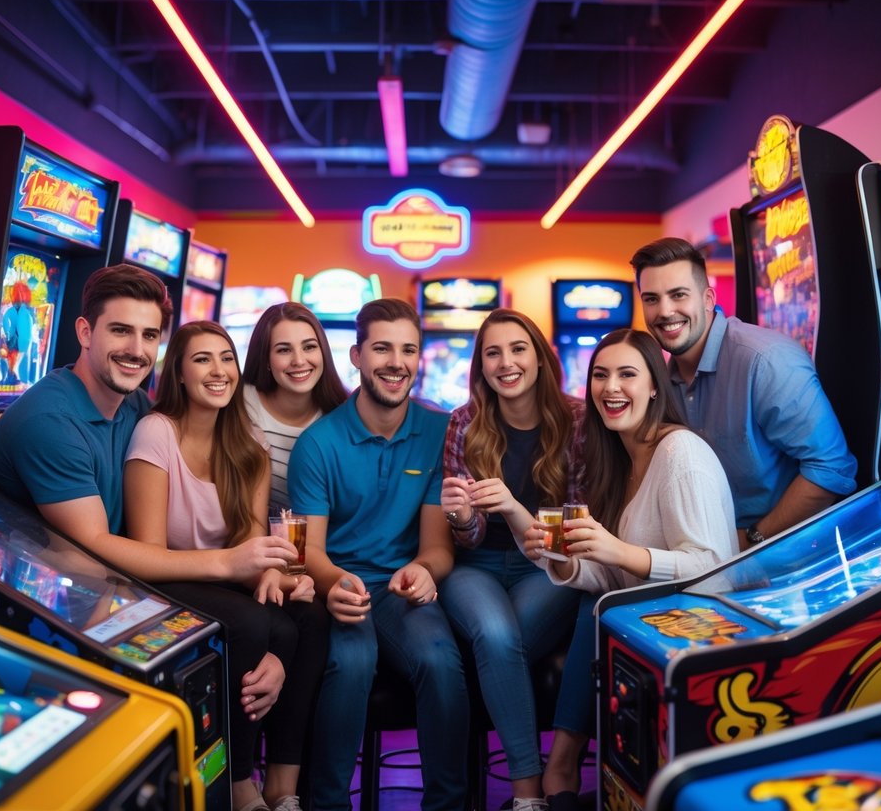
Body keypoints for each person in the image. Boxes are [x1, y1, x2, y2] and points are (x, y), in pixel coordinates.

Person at [0, 265, 299, 807]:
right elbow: (94, 548)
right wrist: (229, 564)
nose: (136, 350)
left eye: (149, 335)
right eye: (120, 332)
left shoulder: (131, 400)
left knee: (285, 620)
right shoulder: (48, 420)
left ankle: (252, 784)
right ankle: (229, 787)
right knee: (247, 620)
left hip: (112, 589)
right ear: (85, 333)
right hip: (50, 603)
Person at [528, 328, 738, 809]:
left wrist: (617, 551)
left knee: (594, 612)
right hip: (643, 634)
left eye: (627, 374)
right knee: (592, 603)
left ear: (654, 386)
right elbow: (611, 577)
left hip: (694, 643)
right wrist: (560, 556)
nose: (611, 387)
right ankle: (565, 777)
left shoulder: (680, 453)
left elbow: (712, 570)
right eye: (600, 375)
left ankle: (560, 771)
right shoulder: (621, 457)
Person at [125, 320, 329, 811]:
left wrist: (281, 577)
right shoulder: (156, 432)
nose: (218, 371)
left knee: (312, 615)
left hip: (226, 575)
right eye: (202, 359)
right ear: (178, 372)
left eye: (226, 359)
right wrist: (271, 624)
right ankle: (239, 784)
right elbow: (148, 555)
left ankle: (284, 786)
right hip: (164, 579)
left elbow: (248, 541)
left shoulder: (248, 441)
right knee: (256, 623)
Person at [287, 297, 469, 811]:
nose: (396, 362)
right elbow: (309, 554)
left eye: (408, 349)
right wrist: (333, 584)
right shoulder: (317, 444)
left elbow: (437, 548)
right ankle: (328, 804)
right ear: (356, 356)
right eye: (382, 348)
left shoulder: (440, 433)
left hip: (401, 588)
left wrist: (425, 570)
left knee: (441, 663)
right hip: (340, 584)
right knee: (351, 661)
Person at [437, 308, 583, 811]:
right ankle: (528, 794)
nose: (506, 362)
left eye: (517, 349)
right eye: (492, 353)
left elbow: (570, 539)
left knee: (500, 643)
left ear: (540, 358)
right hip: (475, 567)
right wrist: (458, 517)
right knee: (496, 637)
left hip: (547, 566)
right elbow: (471, 536)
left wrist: (517, 510)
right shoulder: (465, 422)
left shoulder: (578, 420)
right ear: (481, 366)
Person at [630, 237, 856, 549]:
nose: (665, 311)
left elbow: (831, 469)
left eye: (678, 295)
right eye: (651, 299)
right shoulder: (662, 380)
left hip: (790, 561)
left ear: (708, 298)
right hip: (707, 560)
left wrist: (752, 540)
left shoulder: (765, 361)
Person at [241, 302, 349, 517]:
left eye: (309, 347)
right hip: (251, 537)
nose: (299, 360)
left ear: (323, 353)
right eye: (284, 350)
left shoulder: (344, 415)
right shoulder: (240, 406)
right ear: (266, 359)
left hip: (323, 540)